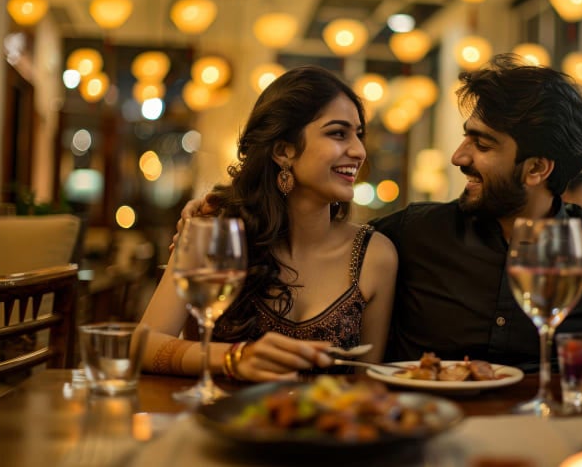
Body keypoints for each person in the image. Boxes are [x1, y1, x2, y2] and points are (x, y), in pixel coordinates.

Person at [179, 55, 582, 372]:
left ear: (536, 168)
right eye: (466, 135)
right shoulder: (413, 235)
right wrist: (224, 212)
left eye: (481, 143)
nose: (458, 156)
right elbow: (312, 239)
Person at [142, 66, 397, 382]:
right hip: (226, 422)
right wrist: (235, 359)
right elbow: (141, 346)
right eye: (338, 133)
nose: (358, 151)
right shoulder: (217, 233)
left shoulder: (375, 255)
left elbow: (366, 382)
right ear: (283, 150)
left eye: (359, 134)